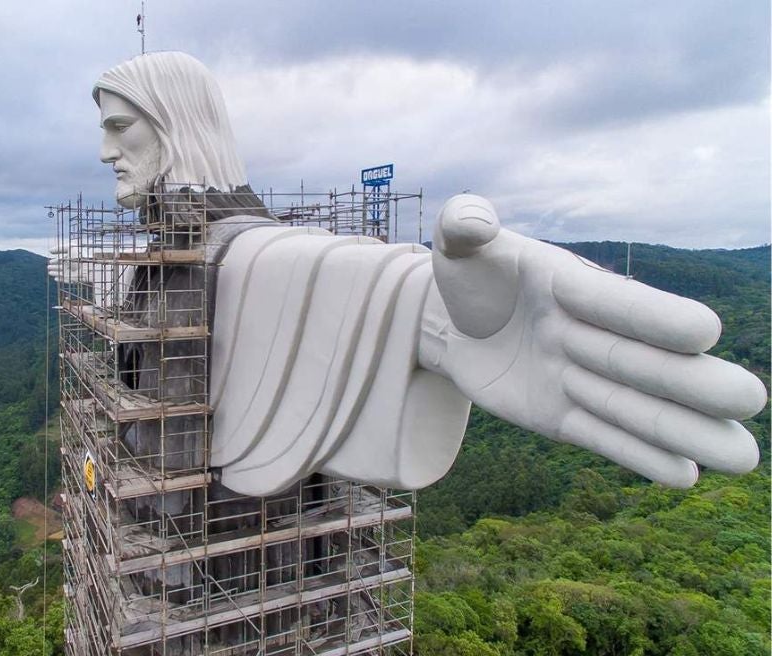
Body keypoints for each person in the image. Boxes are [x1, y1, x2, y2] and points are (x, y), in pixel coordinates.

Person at [51, 51, 766, 497]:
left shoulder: (248, 251)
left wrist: (438, 315)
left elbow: (333, 272)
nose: (106, 151)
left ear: (178, 126)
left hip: (225, 582)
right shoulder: (162, 259)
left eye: (121, 127)